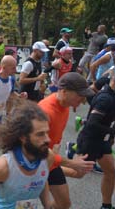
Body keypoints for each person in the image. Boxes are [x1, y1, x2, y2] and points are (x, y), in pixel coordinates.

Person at [0, 101, 56, 209]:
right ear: (23, 137)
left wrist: (48, 205)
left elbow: (41, 179)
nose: (47, 139)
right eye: (40, 134)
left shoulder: (48, 156)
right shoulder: (4, 166)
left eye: (46, 133)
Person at [38, 72, 95, 209]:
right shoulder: (45, 111)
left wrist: (76, 166)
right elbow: (39, 152)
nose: (83, 100)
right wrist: (72, 163)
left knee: (64, 204)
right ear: (64, 92)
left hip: (50, 162)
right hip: (34, 165)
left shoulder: (65, 105)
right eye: (79, 95)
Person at [76, 69, 115, 209]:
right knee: (78, 173)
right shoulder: (106, 98)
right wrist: (112, 131)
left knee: (111, 171)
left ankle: (106, 205)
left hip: (101, 141)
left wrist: (110, 136)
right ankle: (51, 169)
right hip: (91, 140)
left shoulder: (111, 94)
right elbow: (92, 123)